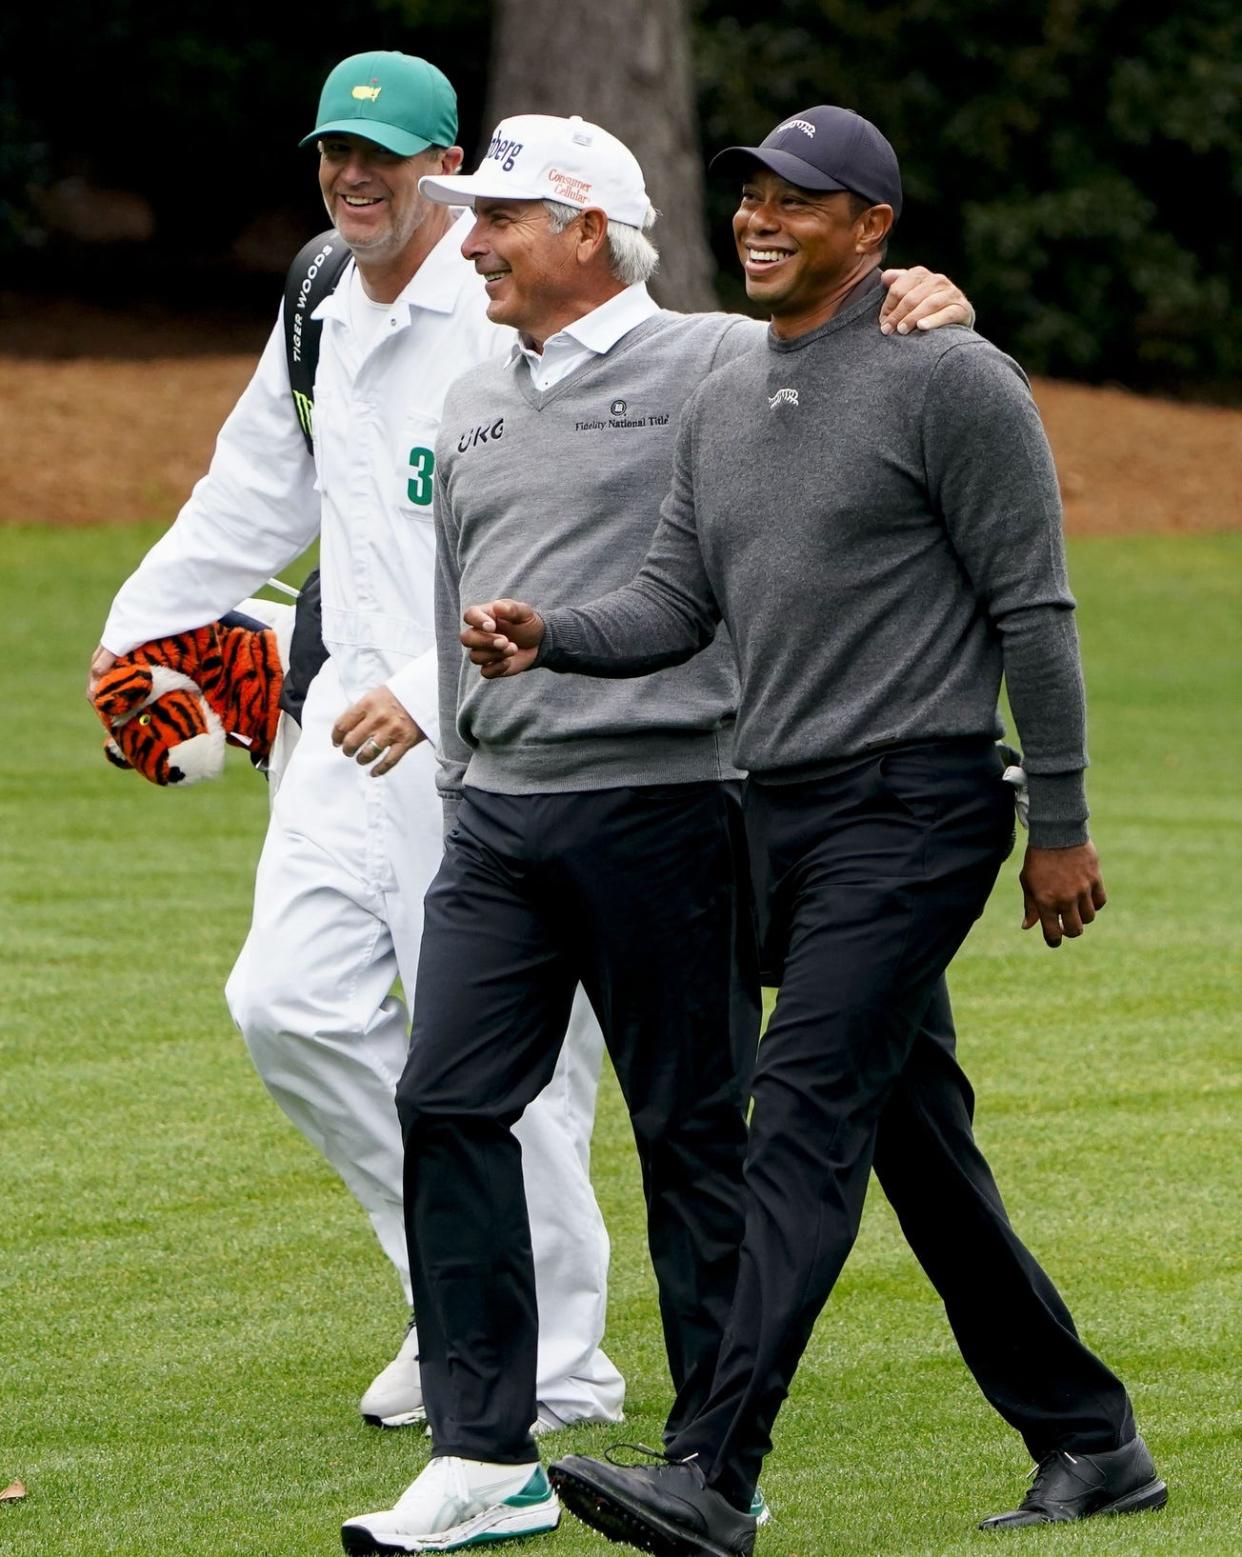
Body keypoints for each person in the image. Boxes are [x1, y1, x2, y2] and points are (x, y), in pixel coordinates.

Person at [460, 106, 1166, 1553]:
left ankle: (710, 1467)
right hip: (778, 816)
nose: (762, 218)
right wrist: (552, 636)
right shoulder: (726, 397)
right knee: (919, 1151)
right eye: (750, 197)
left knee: (796, 1114)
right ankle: (1089, 1437)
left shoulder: (949, 376)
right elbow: (672, 601)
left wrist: (1063, 823)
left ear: (873, 229)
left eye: (802, 199)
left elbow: (1034, 609)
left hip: (917, 806)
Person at [341, 113, 975, 1555]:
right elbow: (460, 606)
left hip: (672, 805)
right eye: (472, 213)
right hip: (499, 817)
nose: (473, 238)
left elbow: (867, 363)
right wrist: (456, 779)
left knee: (690, 1133)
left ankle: (708, 1461)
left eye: (498, 215)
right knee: (443, 1101)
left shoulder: (711, 359)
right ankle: (482, 1451)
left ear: (586, 233)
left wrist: (931, 297)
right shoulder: (469, 390)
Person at [87, 51, 625, 1435]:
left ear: (447, 171)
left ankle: (552, 1361)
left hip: (514, 731)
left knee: (507, 1061)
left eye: (383, 156)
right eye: (335, 151)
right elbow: (255, 487)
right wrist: (135, 639)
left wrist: (436, 684)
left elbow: (601, 525)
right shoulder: (319, 290)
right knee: (288, 1003)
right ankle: (456, 1289)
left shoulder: (518, 301)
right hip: (337, 718)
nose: (354, 177)